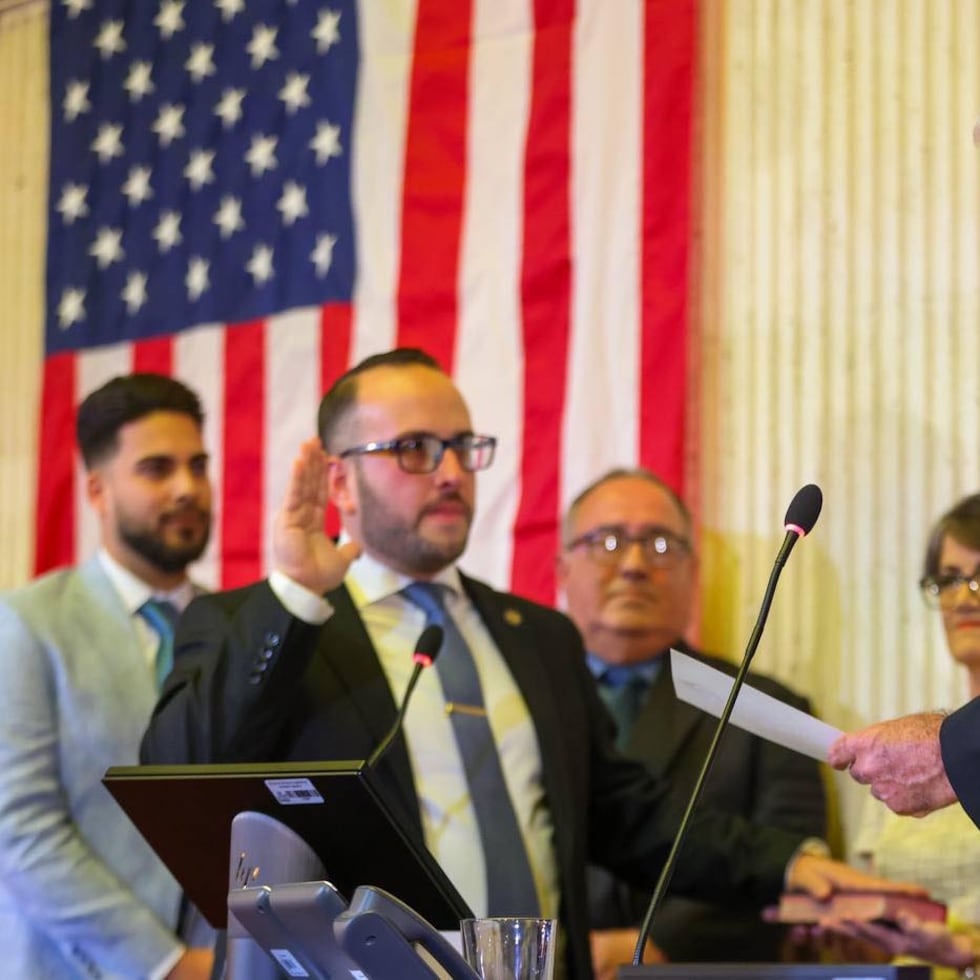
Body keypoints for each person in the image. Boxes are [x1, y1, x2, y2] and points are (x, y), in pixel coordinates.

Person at [140, 348, 921, 980]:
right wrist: (299, 600)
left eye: (461, 448)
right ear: (339, 478)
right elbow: (183, 777)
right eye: (414, 450)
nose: (449, 472)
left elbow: (628, 816)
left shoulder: (537, 636)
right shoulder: (254, 622)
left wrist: (789, 866)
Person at [556, 468, 829, 975]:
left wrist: (658, 946)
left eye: (661, 545)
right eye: (608, 541)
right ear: (562, 568)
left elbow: (792, 862)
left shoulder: (764, 708)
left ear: (692, 571)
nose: (635, 564)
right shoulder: (526, 703)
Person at [0, 374, 215, 979]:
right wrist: (165, 963)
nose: (187, 489)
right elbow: (20, 831)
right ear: (97, 489)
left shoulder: (238, 627)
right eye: (157, 468)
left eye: (198, 465)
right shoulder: (27, 624)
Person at [820, 493, 980, 976]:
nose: (962, 597)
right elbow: (883, 930)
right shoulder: (909, 753)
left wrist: (968, 951)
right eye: (949, 578)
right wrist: (856, 935)